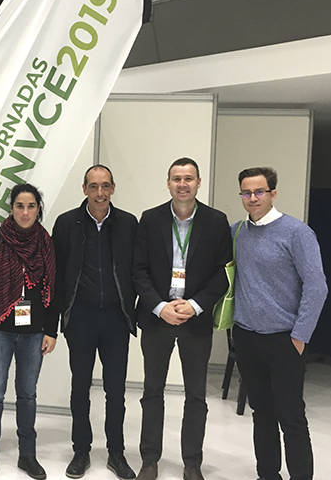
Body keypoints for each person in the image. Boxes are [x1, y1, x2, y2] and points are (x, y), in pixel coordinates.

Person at [133, 158, 231, 480]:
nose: (183, 184)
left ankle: (192, 463)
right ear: (168, 183)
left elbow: (223, 273)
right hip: (158, 318)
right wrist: (160, 307)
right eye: (177, 178)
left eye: (189, 178)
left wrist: (196, 304)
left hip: (195, 319)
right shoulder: (150, 219)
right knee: (152, 392)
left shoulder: (217, 222)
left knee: (196, 396)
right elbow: (139, 271)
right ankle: (149, 459)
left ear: (199, 183)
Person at [232, 166, 327, 480]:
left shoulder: (297, 233)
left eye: (260, 191)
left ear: (273, 193)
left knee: (292, 417)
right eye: (247, 192)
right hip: (247, 338)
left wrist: (300, 335)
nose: (253, 197)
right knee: (262, 413)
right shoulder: (238, 232)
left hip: (285, 340)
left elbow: (316, 287)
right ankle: (267, 474)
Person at [51, 164, 140, 480]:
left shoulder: (129, 223)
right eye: (93, 186)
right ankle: (81, 451)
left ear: (113, 188)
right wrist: (57, 316)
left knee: (116, 390)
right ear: (84, 189)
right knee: (80, 387)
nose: (100, 193)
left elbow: (137, 270)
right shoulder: (66, 224)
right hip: (82, 318)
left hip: (117, 319)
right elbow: (56, 274)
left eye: (105, 186)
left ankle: (116, 452)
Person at [0, 183, 58, 480]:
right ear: (11, 208)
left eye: (31, 206)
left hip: (34, 332)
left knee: (28, 394)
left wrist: (51, 330)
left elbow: (54, 291)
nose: (25, 212)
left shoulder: (46, 243)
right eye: (19, 206)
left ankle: (27, 455)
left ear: (38, 209)